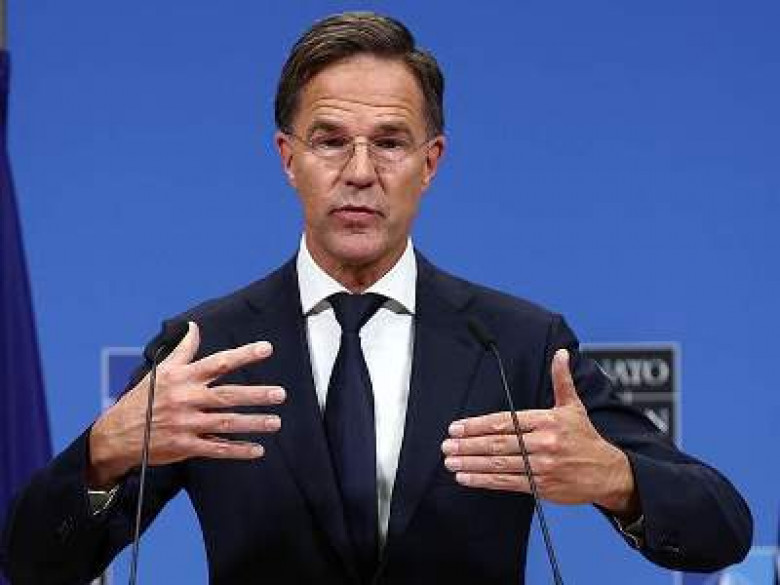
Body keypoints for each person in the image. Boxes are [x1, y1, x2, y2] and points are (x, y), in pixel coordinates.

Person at [1, 11, 752, 585]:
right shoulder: (207, 348)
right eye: (330, 140)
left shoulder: (517, 345)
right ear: (288, 158)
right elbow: (33, 562)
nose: (360, 171)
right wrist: (102, 455)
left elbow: (721, 528)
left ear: (431, 162)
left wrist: (617, 477)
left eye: (390, 142)